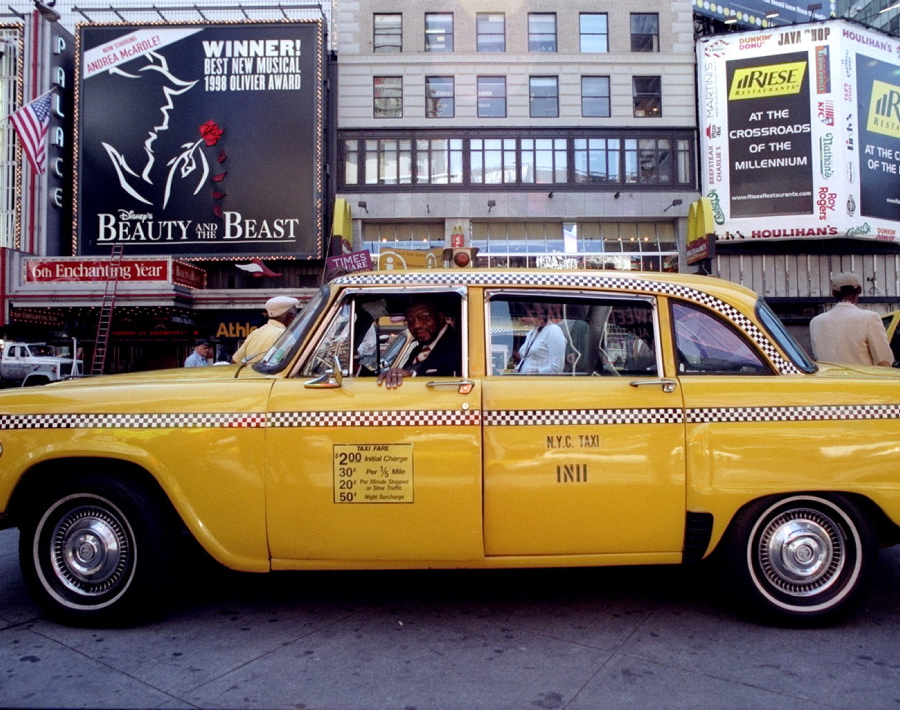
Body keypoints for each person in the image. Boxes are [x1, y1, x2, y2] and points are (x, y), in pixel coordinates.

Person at [809, 272, 893, 367]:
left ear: (833, 293)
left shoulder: (816, 322)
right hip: (860, 380)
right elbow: (883, 360)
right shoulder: (870, 318)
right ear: (859, 290)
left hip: (828, 380)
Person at [377, 297, 461, 388]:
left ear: (440, 317)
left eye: (424, 316)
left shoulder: (459, 346)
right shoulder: (418, 349)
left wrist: (412, 376)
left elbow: (451, 384)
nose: (416, 325)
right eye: (410, 320)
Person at [232, 296, 300, 364]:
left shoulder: (255, 333)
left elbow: (234, 362)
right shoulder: (286, 336)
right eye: (296, 315)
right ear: (291, 316)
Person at [511, 303, 566, 374]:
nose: (520, 317)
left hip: (540, 383)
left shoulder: (554, 331)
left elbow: (556, 368)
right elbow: (526, 360)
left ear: (537, 313)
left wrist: (534, 373)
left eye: (524, 313)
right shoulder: (532, 332)